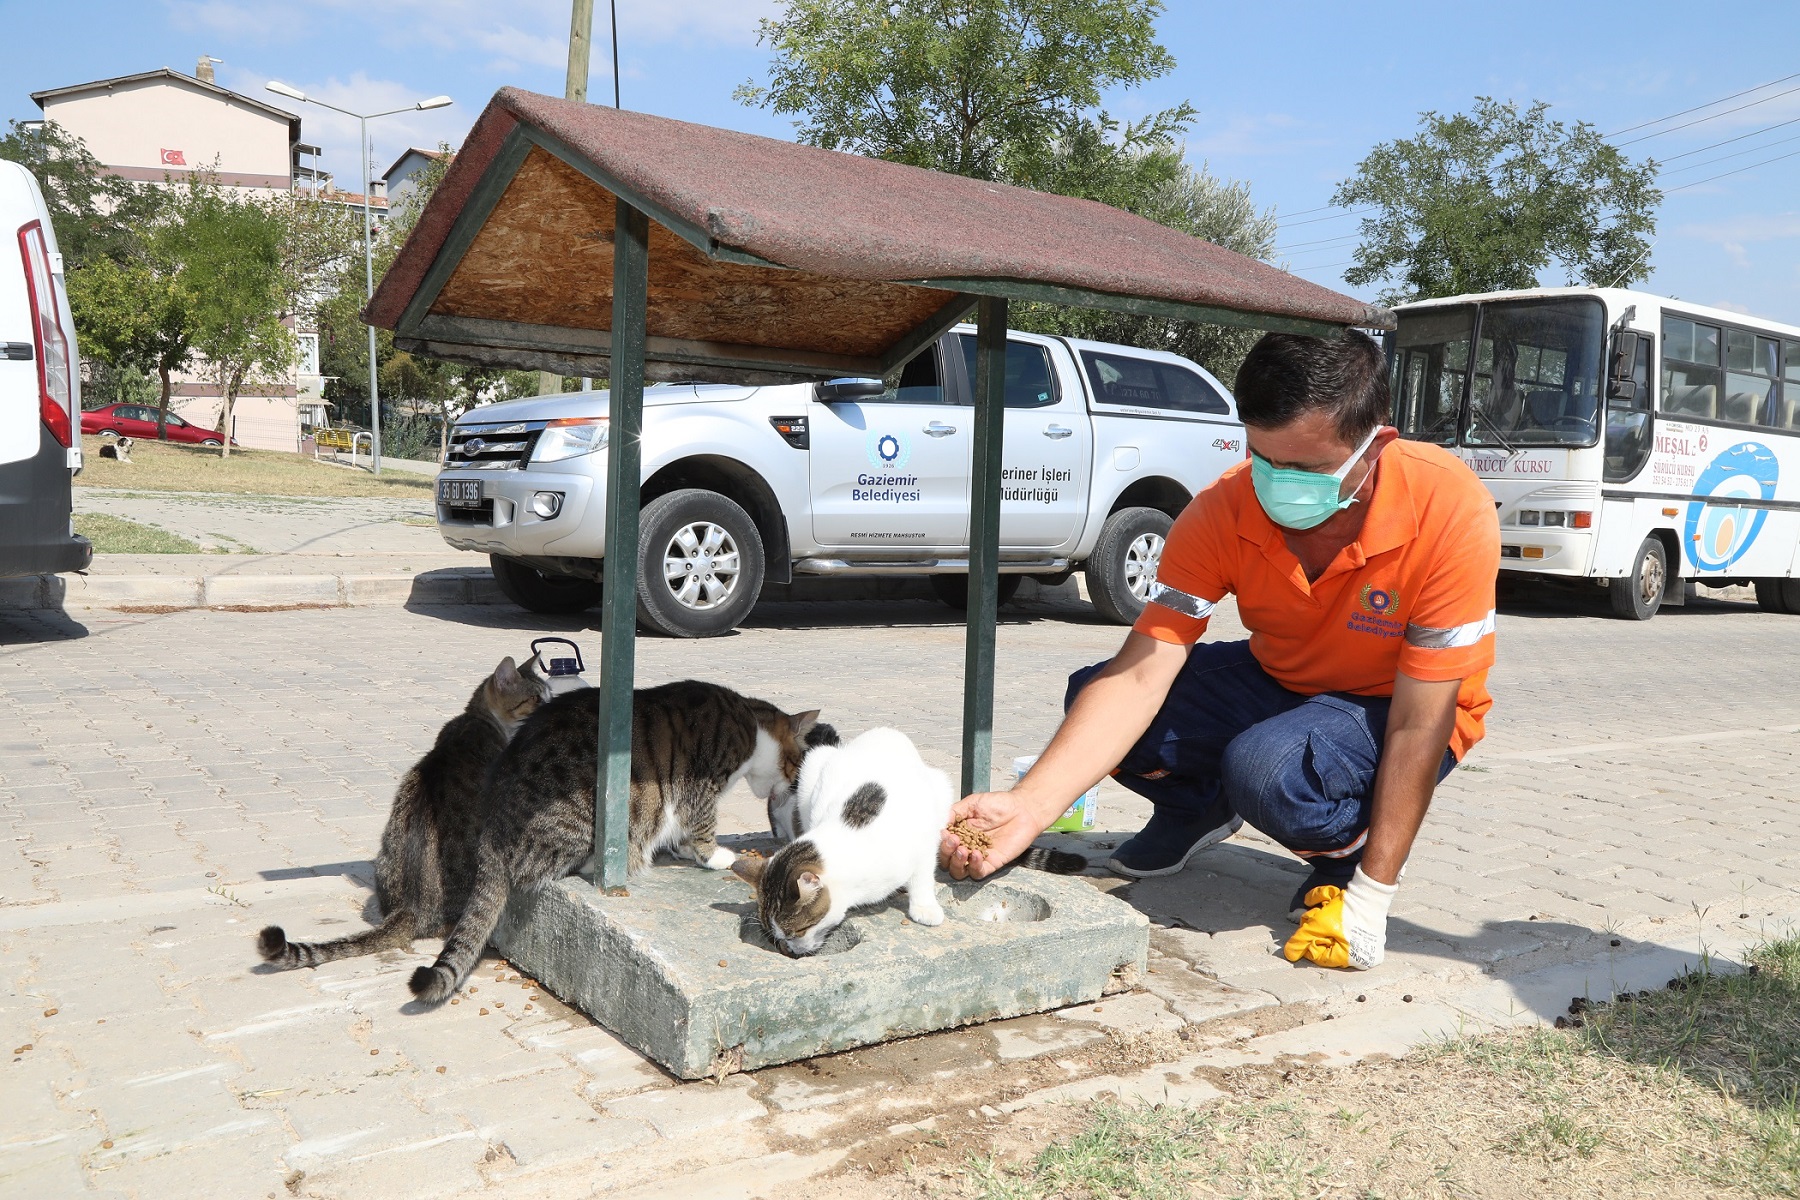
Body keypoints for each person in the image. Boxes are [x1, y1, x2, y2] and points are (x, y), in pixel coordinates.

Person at [941, 330, 1499, 971]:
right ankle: (1197, 806)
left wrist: (1374, 894)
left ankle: (1345, 856)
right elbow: (1138, 678)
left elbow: (1419, 720)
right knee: (1093, 693)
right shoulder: (1223, 509)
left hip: (1392, 704)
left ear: (1376, 446)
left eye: (1308, 469)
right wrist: (1031, 806)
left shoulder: (1448, 509)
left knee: (1265, 769)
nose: (1281, 486)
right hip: (1284, 678)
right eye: (1265, 460)